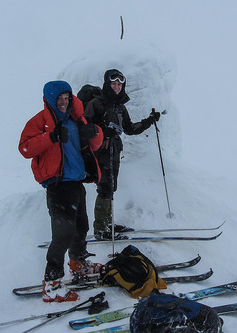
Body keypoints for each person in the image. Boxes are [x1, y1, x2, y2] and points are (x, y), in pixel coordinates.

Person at [18, 80, 104, 302]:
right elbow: (25, 148)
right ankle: (52, 283)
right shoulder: (40, 121)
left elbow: (94, 145)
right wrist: (51, 137)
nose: (64, 102)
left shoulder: (76, 120)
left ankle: (78, 263)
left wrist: (94, 133)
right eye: (60, 99)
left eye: (67, 98)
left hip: (76, 182)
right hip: (57, 185)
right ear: (50, 100)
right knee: (63, 233)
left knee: (81, 227)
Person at [83, 69, 160, 240]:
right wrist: (104, 131)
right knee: (104, 187)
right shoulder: (96, 103)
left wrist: (149, 121)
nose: (117, 86)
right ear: (107, 84)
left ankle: (108, 223)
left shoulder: (120, 106)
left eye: (120, 84)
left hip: (114, 149)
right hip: (100, 150)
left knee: (111, 187)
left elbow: (130, 129)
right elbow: (85, 128)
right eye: (113, 83)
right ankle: (100, 229)